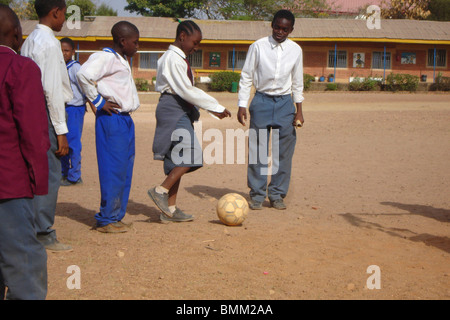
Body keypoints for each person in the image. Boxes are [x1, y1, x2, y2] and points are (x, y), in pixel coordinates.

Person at [150, 20, 231, 223]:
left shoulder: (177, 58)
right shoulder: (173, 59)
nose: (196, 47)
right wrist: (215, 106)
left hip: (177, 108)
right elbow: (186, 91)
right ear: (182, 36)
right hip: (173, 109)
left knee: (176, 160)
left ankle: (170, 209)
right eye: (195, 43)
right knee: (190, 154)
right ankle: (160, 190)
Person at [0, 4, 50, 299]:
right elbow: (32, 134)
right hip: (10, 185)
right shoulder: (20, 67)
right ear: (17, 35)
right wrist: (38, 184)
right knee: (23, 263)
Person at [237, 9, 305, 210]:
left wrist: (299, 110)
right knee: (258, 150)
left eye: (285, 29)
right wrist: (242, 104)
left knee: (283, 152)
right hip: (261, 101)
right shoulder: (258, 47)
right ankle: (257, 194)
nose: (280, 32)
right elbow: (247, 76)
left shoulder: (296, 50)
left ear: (291, 30)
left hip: (285, 104)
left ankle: (276, 194)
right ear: (272, 25)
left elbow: (297, 82)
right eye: (277, 27)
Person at [77, 21, 140, 233]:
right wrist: (98, 101)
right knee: (112, 169)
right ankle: (106, 219)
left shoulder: (122, 60)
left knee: (124, 169)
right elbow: (82, 75)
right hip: (112, 119)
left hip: (125, 120)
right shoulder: (105, 57)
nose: (137, 46)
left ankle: (116, 215)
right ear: (123, 41)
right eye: (135, 42)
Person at [21, 0, 73, 251]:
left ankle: (29, 227)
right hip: (46, 113)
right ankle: (43, 231)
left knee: (32, 170)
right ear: (56, 12)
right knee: (50, 173)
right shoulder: (51, 43)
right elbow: (51, 89)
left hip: (30, 111)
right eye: (64, 14)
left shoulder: (29, 39)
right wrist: (61, 131)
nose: (64, 19)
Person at [60, 37, 95, 186]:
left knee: (73, 142)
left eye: (66, 51)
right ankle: (63, 173)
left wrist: (91, 104)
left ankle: (75, 175)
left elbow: (85, 87)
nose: (63, 54)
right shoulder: (59, 66)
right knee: (61, 142)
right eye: (60, 50)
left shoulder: (75, 68)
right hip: (62, 108)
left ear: (73, 52)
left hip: (74, 109)